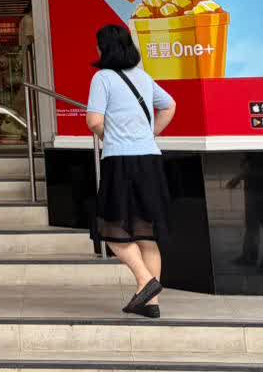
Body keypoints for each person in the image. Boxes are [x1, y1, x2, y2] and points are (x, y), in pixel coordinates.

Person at [86, 23, 175, 317]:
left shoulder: (102, 78)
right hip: (150, 160)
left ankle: (145, 281)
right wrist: (150, 134)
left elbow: (94, 121)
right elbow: (169, 105)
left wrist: (109, 137)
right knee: (147, 234)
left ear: (104, 48)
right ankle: (151, 305)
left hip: (120, 161)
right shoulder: (143, 77)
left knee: (112, 229)